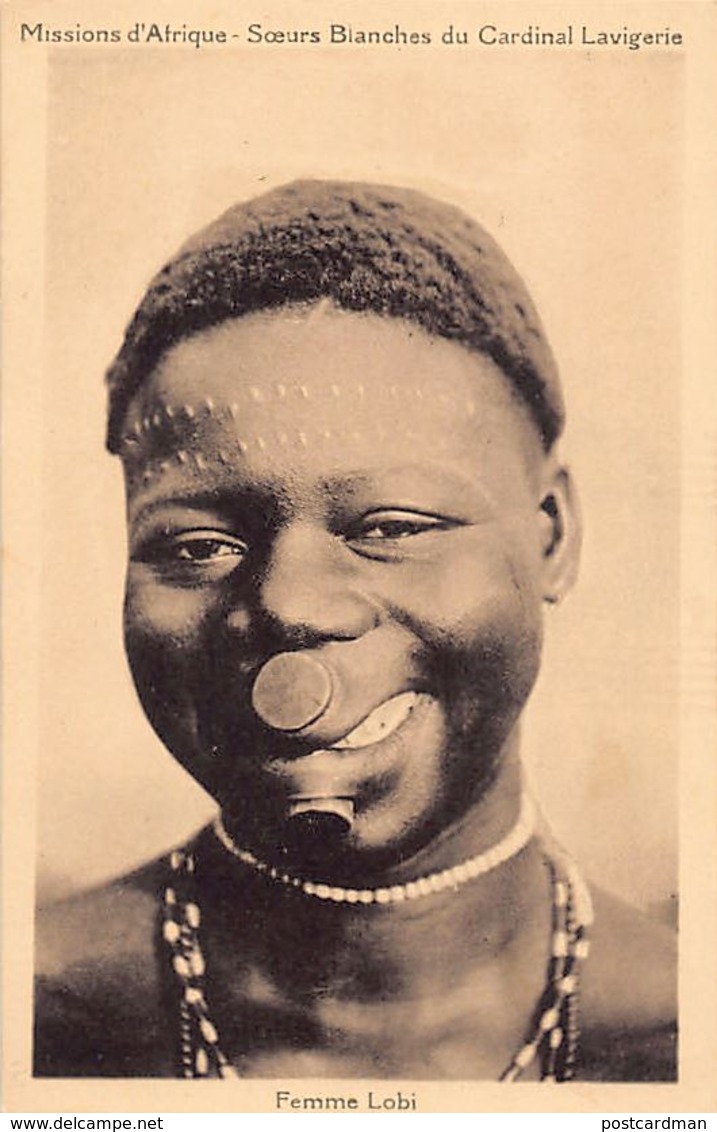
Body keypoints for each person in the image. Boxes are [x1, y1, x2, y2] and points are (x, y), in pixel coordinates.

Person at [34, 179, 676, 1081]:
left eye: (392, 527)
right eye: (198, 543)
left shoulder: (677, 1042)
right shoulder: (32, 1022)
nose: (292, 604)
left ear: (551, 536)